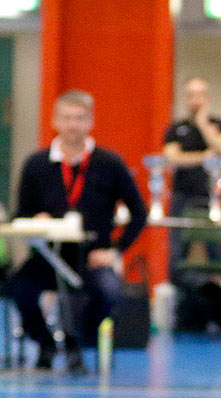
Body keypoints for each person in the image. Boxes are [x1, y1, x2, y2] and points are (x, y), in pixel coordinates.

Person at [8, 90, 147, 372]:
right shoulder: (36, 164)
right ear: (55, 120)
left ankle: (76, 343)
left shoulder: (110, 163)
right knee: (18, 289)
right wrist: (37, 219)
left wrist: (115, 251)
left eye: (79, 118)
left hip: (92, 255)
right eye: (67, 118)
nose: (73, 124)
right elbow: (19, 214)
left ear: (90, 121)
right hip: (49, 256)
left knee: (108, 291)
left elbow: (139, 213)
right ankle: (45, 342)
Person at [163, 76, 221, 271]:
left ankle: (219, 287)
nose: (196, 99)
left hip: (213, 197)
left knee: (214, 250)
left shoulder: (220, 125)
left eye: (201, 94)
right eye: (191, 95)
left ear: (208, 97)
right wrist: (204, 156)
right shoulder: (177, 129)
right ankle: (178, 290)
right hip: (182, 195)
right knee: (177, 250)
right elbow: (172, 157)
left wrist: (203, 124)